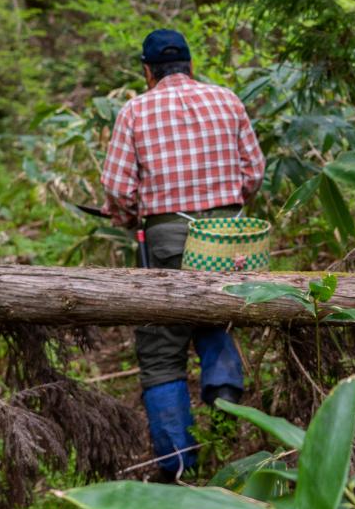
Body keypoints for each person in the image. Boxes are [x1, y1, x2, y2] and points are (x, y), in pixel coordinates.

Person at [101, 28, 266, 480]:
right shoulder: (228, 100)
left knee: (161, 349)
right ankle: (226, 403)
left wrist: (126, 209)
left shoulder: (135, 109)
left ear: (147, 72)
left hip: (169, 241)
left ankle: (178, 467)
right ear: (191, 66)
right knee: (215, 314)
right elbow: (254, 171)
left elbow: (117, 186)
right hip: (232, 240)